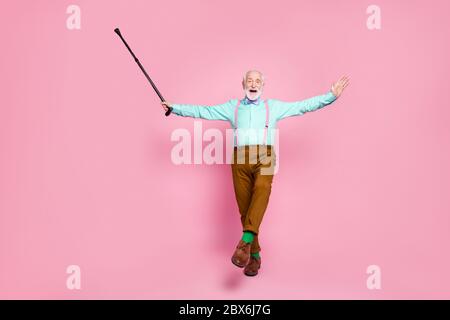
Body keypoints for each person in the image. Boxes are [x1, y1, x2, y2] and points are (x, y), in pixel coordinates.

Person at [162, 70, 349, 276]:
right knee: (245, 209)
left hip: (265, 155)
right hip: (240, 158)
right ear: (243, 83)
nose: (253, 83)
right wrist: (175, 108)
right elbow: (203, 111)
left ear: (263, 85)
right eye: (250, 80)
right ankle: (256, 256)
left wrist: (330, 96)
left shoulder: (273, 107)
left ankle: (246, 241)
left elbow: (302, 106)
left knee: (263, 188)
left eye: (257, 80)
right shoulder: (232, 107)